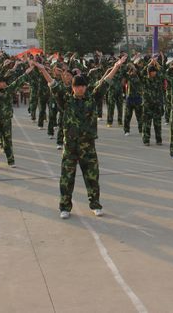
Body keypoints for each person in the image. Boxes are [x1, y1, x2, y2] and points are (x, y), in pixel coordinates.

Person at [35, 55, 127, 219]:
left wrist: (116, 67)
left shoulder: (91, 98)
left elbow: (105, 83)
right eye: (77, 86)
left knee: (92, 177)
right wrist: (43, 70)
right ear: (72, 87)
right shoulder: (66, 99)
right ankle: (65, 207)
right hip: (70, 147)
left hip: (88, 146)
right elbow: (53, 85)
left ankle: (95, 204)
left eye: (83, 86)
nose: (80, 89)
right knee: (66, 178)